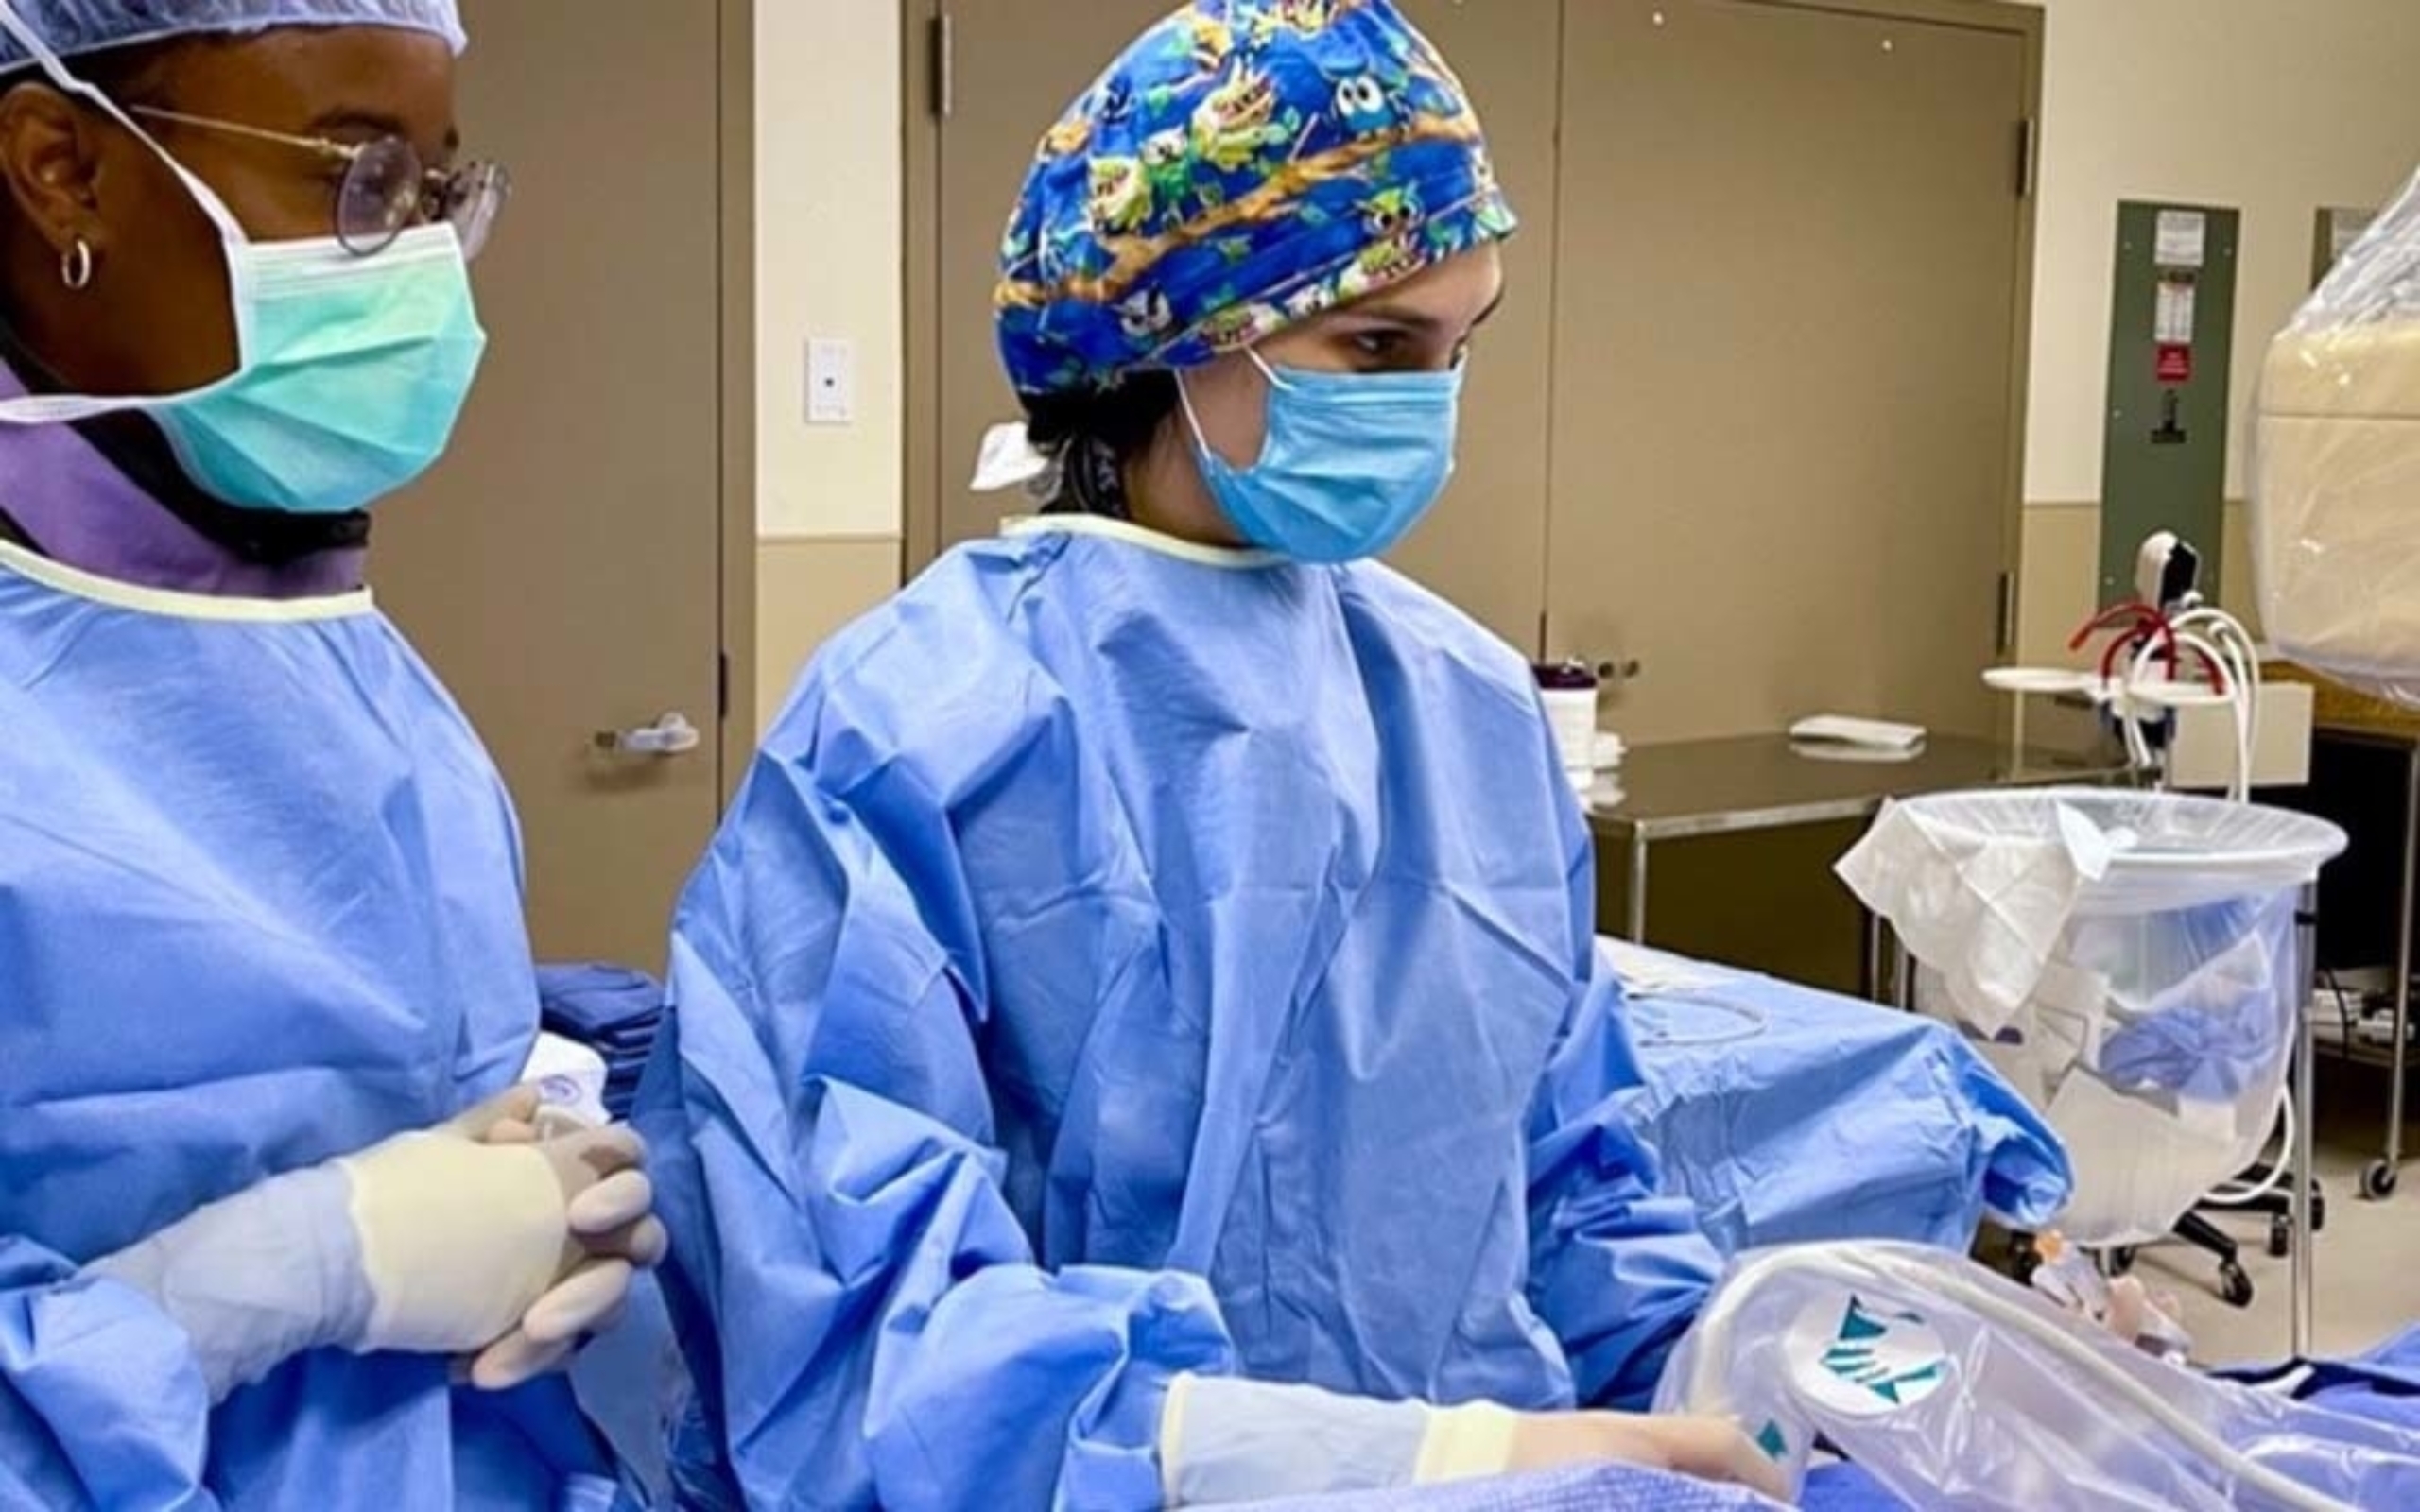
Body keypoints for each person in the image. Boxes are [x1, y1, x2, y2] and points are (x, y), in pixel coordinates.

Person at [638, 3, 1785, 1507]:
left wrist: (1746, 1393)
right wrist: (1416, 1462)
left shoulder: (1464, 706)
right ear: (1165, 334)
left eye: (1457, 350)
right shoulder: (917, 727)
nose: (1428, 406)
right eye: (1375, 344)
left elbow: (1570, 1184)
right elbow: (869, 1346)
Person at [0, 3, 665, 1506]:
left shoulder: (338, 659)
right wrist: (259, 1282)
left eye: (439, 189)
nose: (419, 254)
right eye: (355, 175)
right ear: (61, 166)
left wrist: (564, 1165)